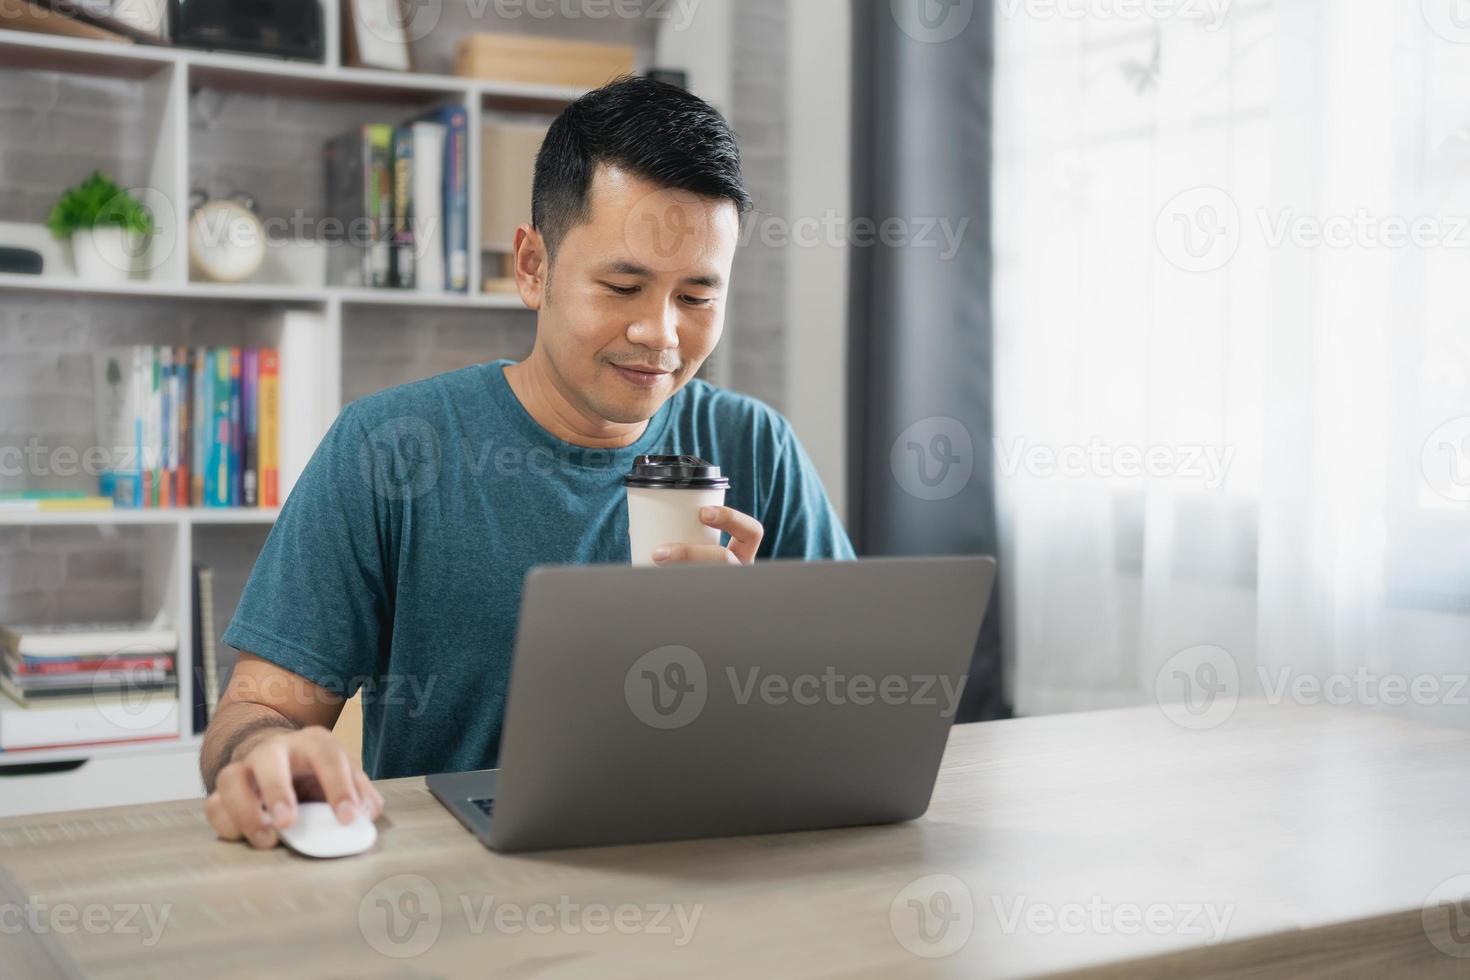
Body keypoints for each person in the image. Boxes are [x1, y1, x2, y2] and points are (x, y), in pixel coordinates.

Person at [201, 76, 854, 850]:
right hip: (461, 894)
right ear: (534, 265)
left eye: (697, 297)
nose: (661, 333)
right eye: (623, 285)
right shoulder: (389, 448)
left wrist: (758, 651)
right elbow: (251, 714)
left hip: (708, 869)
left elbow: (856, 721)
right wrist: (264, 754)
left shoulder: (757, 447)